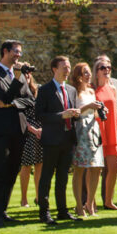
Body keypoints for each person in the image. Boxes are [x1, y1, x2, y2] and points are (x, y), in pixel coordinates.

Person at [0, 39, 30, 228]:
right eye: (15, 52)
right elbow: (2, 98)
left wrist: (11, 103)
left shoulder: (19, 76)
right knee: (1, 171)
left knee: (13, 171)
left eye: (20, 52)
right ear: (5, 51)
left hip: (19, 130)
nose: (18, 55)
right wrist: (17, 83)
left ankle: (4, 210)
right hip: (1, 130)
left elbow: (29, 100)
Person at [36, 56, 80, 225]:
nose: (67, 70)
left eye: (69, 67)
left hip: (68, 139)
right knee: (46, 177)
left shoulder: (71, 90)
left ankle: (62, 211)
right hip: (52, 140)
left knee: (63, 178)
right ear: (54, 69)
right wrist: (61, 115)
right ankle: (44, 212)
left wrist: (74, 115)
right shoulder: (45, 90)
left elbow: (72, 114)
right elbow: (40, 115)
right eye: (64, 67)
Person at [69, 61, 106, 217]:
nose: (88, 75)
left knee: (96, 168)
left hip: (93, 130)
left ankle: (90, 203)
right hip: (80, 129)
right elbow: (74, 112)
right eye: (85, 72)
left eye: (89, 72)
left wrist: (101, 110)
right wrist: (89, 106)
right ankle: (79, 205)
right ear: (78, 75)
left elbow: (93, 113)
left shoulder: (92, 91)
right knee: (80, 168)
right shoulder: (74, 91)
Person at [93, 54, 117, 210]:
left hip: (112, 130)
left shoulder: (113, 87)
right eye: (102, 68)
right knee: (95, 169)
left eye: (109, 68)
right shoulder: (91, 89)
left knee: (114, 168)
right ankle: (89, 202)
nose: (106, 70)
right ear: (96, 71)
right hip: (97, 131)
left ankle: (108, 200)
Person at [18, 69, 42, 208]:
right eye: (23, 74)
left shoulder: (38, 90)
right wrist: (32, 129)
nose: (27, 76)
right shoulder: (18, 92)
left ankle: (39, 196)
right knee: (26, 165)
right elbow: (19, 115)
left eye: (28, 73)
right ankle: (24, 198)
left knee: (40, 164)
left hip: (40, 131)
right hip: (26, 132)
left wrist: (41, 129)